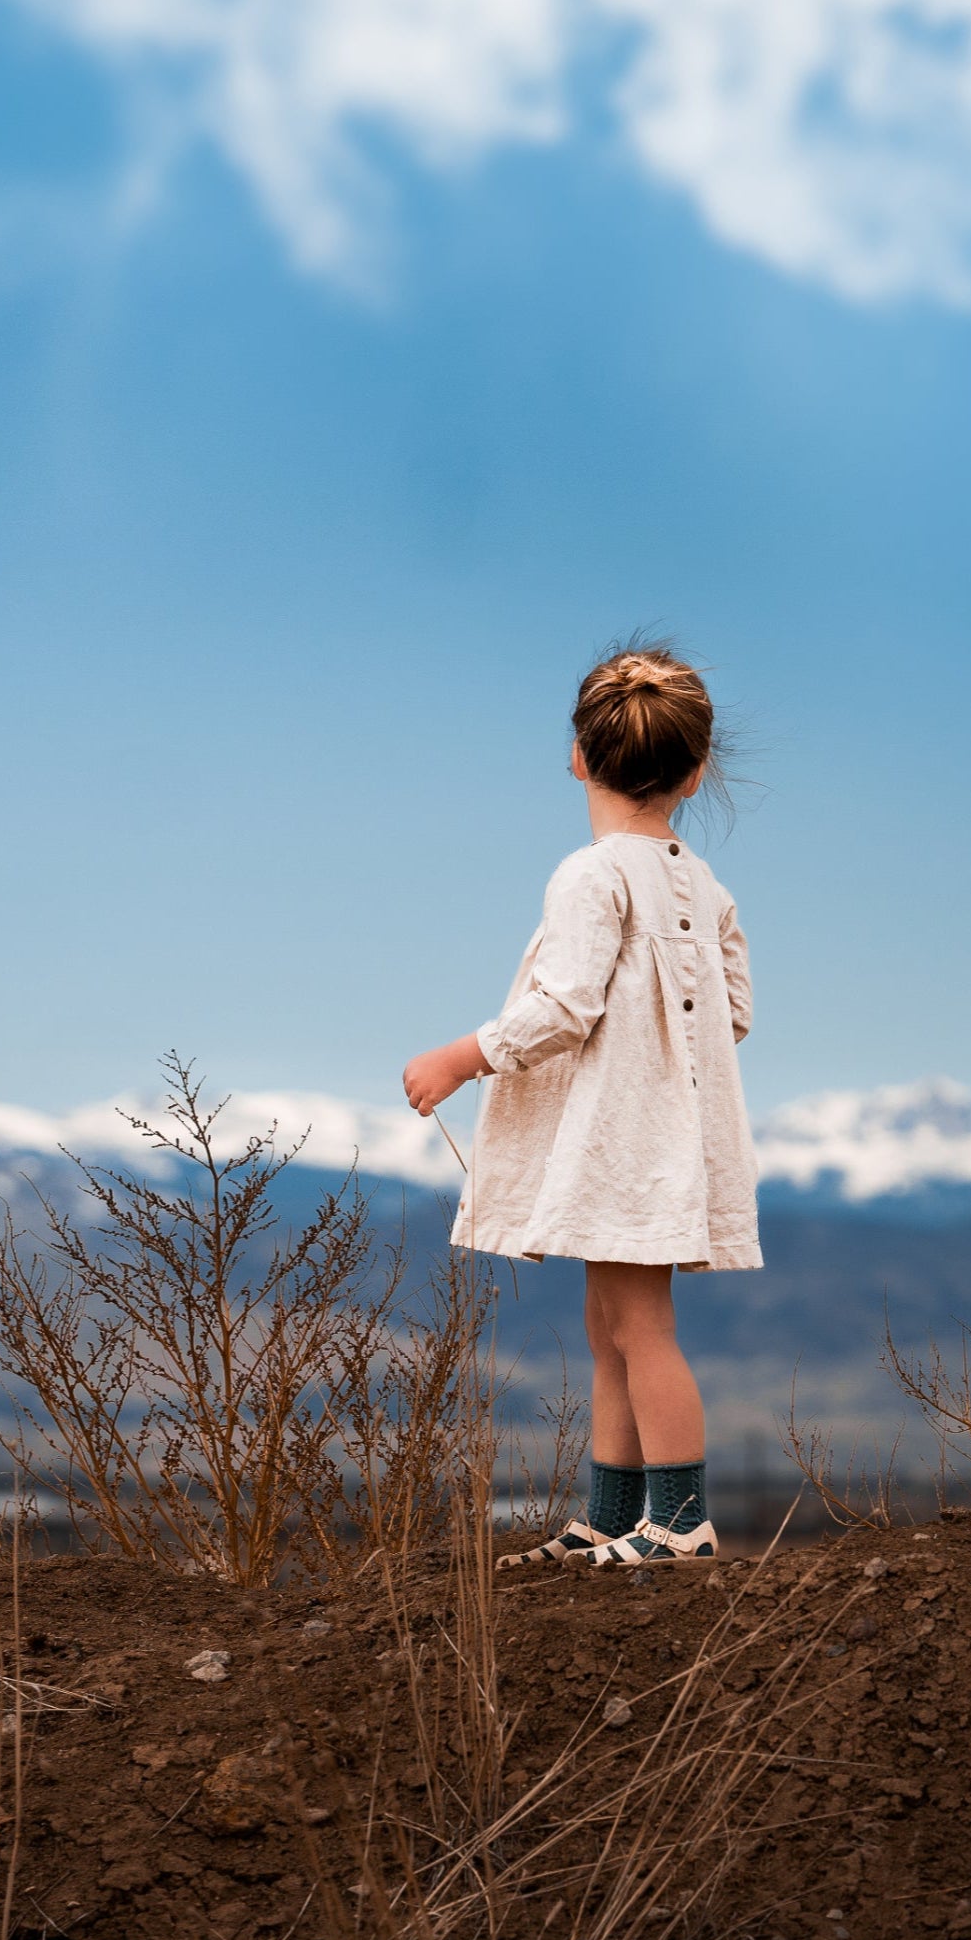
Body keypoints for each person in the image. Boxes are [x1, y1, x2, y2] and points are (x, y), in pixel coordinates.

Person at [400, 644, 759, 1565]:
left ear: (578, 756)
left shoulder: (589, 875)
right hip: (667, 1137)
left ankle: (680, 1525)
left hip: (621, 1141)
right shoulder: (705, 886)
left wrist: (460, 1056)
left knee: (641, 1329)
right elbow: (737, 1016)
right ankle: (609, 1518)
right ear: (695, 769)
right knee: (613, 1328)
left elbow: (562, 1007)